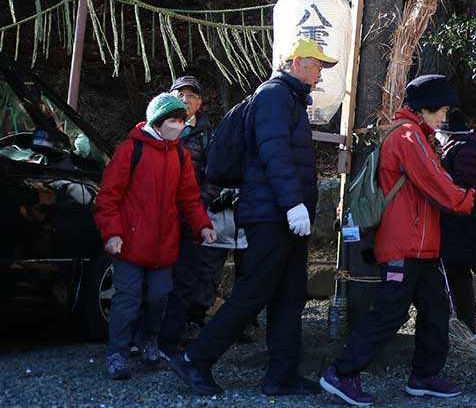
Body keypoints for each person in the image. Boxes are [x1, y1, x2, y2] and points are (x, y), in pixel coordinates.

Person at [171, 38, 334, 396]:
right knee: (253, 293)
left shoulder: (288, 99)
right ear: (296, 63)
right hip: (269, 216)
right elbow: (273, 151)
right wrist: (293, 204)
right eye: (317, 64)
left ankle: (282, 375)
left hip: (281, 215)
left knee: (290, 296)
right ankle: (195, 360)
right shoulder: (275, 96)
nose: (321, 72)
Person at [320, 75, 476, 406]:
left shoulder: (415, 135)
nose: (445, 117)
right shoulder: (407, 137)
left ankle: (425, 375)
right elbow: (436, 183)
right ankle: (342, 373)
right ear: (425, 106)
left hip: (421, 244)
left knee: (436, 309)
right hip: (405, 242)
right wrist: (475, 204)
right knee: (390, 312)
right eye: (441, 109)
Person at [94, 93, 216, 380]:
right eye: (173, 120)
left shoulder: (179, 155)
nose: (178, 125)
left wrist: (202, 225)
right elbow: (108, 197)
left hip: (164, 244)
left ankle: (149, 341)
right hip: (130, 243)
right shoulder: (129, 150)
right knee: (127, 298)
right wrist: (112, 233)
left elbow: (188, 198)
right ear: (158, 122)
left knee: (159, 297)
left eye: (181, 121)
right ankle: (117, 353)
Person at [160, 75, 248, 358]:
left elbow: (215, 173)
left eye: (192, 96)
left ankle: (186, 324)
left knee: (195, 271)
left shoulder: (210, 133)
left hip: (194, 211)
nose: (186, 100)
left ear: (200, 102)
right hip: (158, 210)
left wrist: (198, 203)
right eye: (181, 94)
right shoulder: (155, 127)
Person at [436, 108, 476, 338]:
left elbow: (464, 188)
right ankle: (465, 330)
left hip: (462, 226)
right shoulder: (467, 148)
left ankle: (470, 332)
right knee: (456, 278)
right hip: (463, 225)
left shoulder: (464, 151)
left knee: (458, 278)